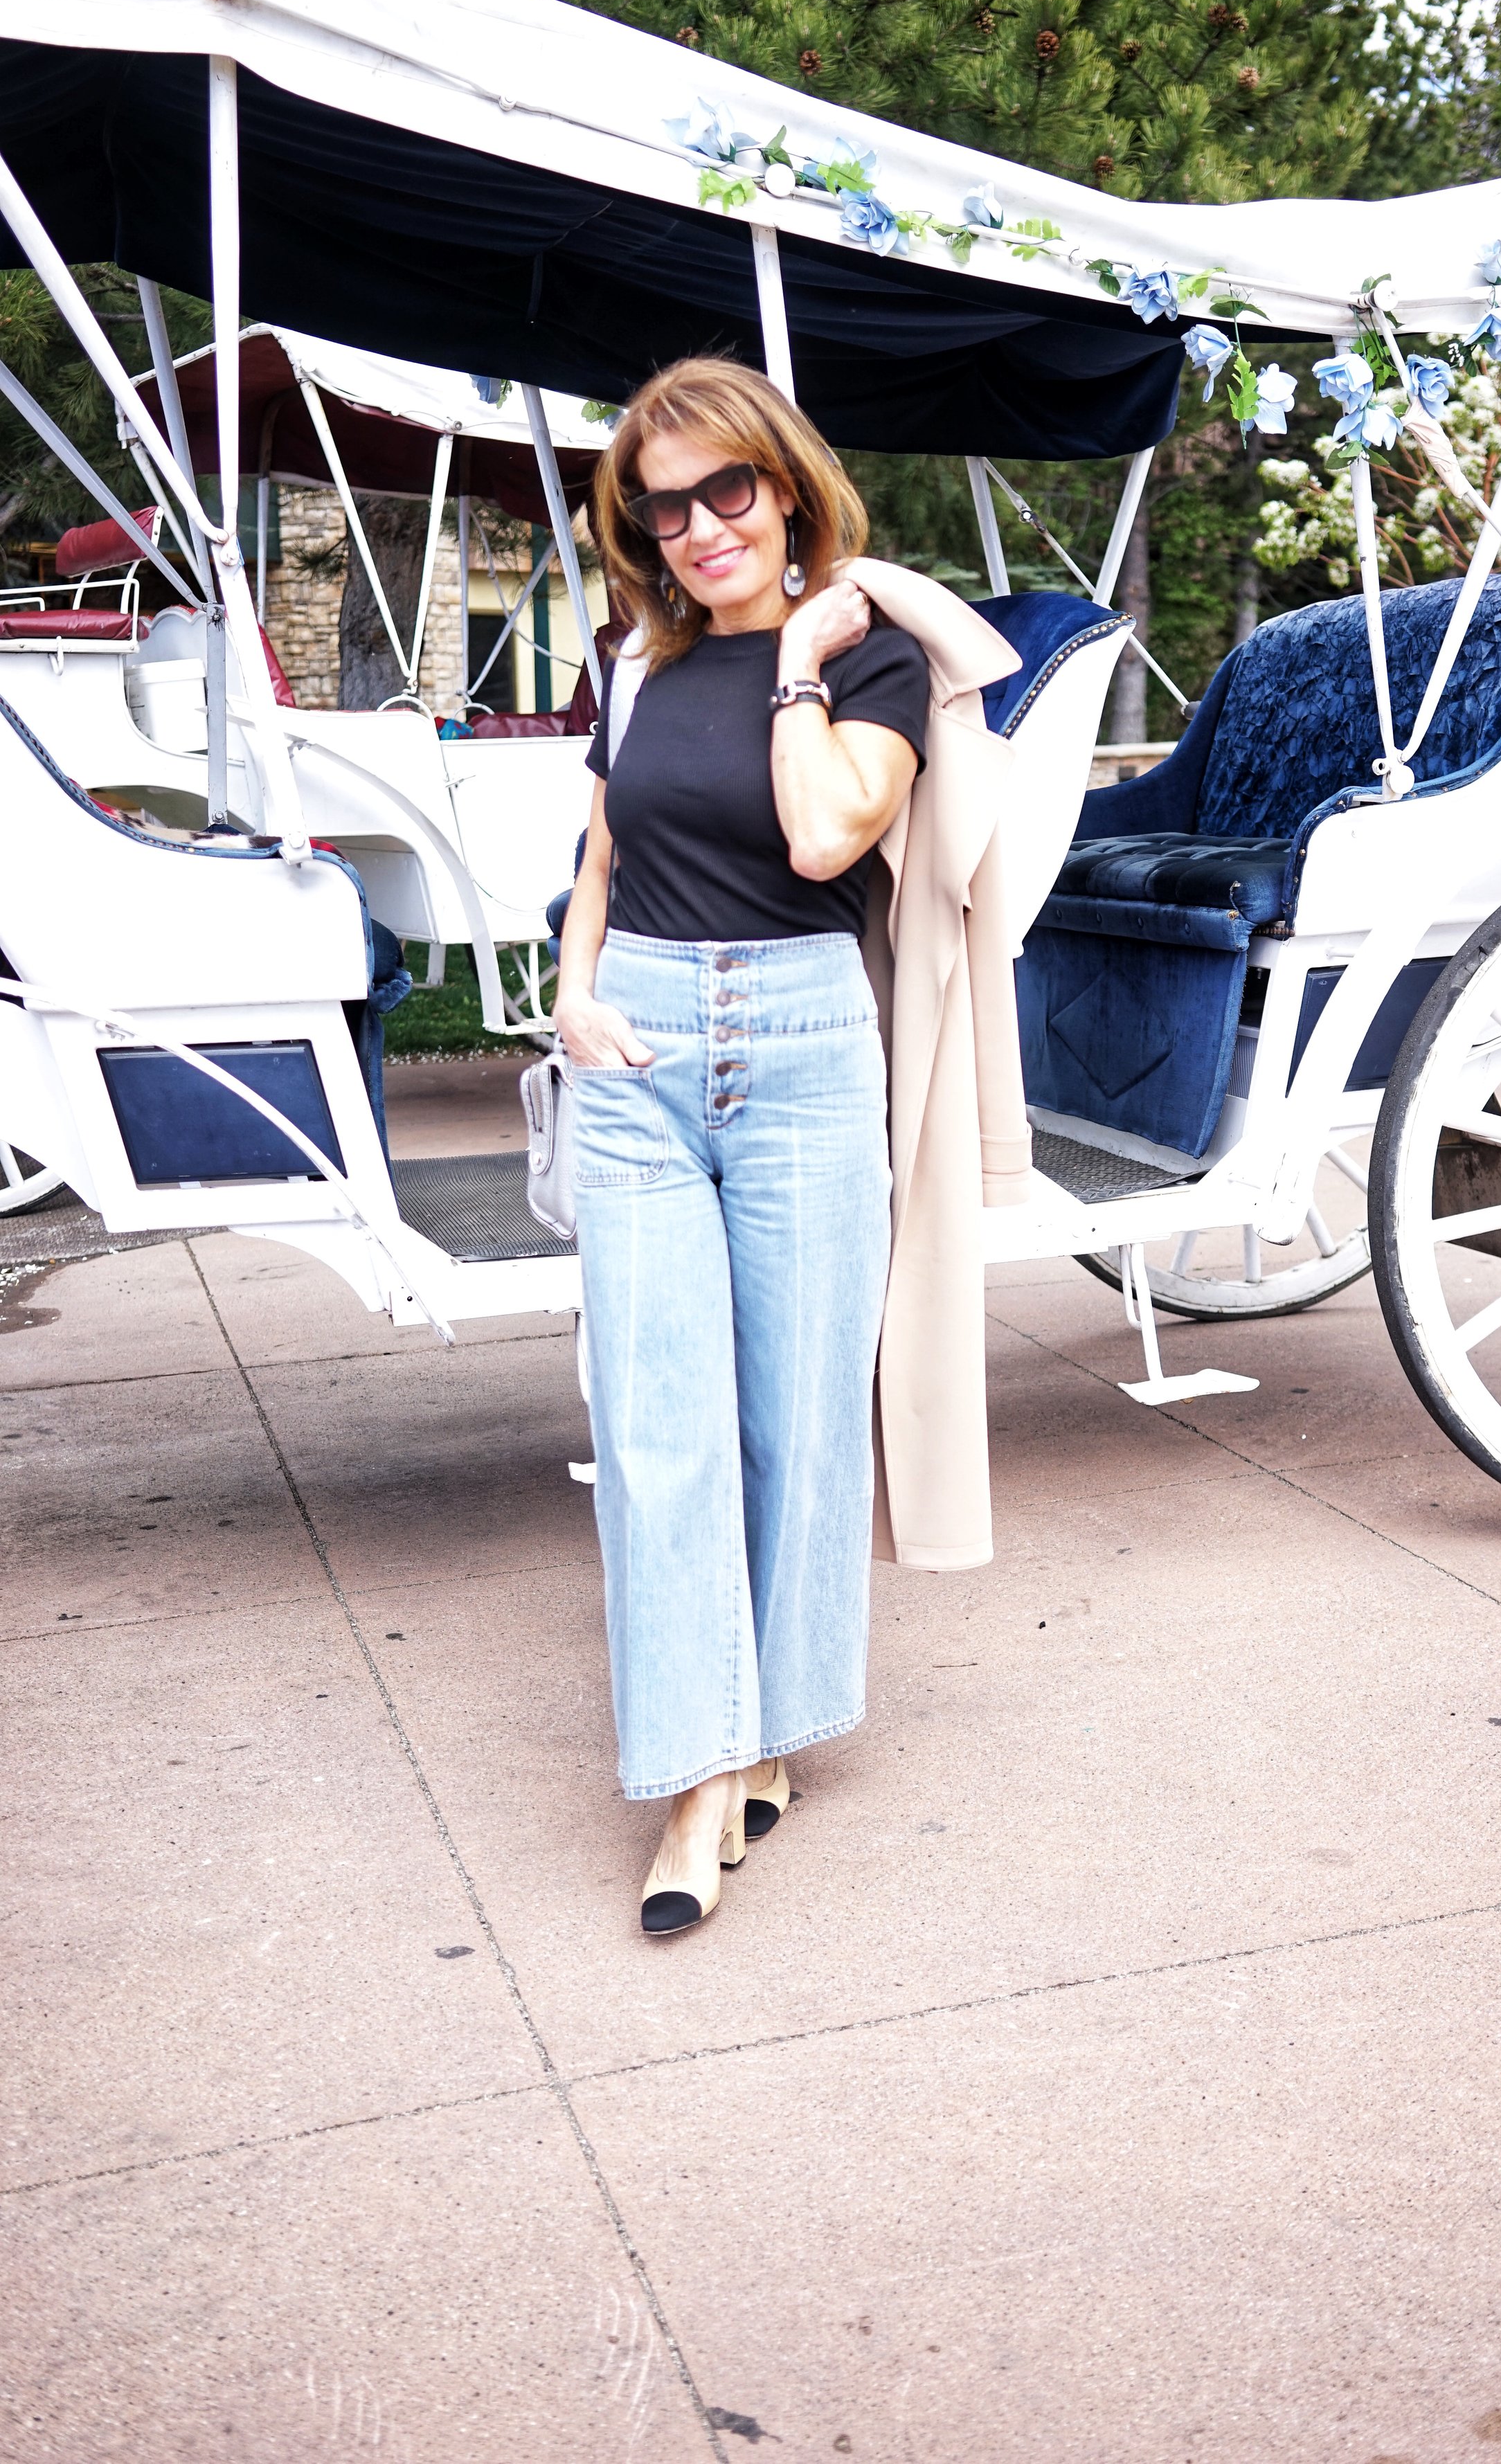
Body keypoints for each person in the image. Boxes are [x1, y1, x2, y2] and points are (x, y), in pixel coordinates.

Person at [552, 357, 931, 1937]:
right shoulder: (628, 668)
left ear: (784, 487)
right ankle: (702, 1780)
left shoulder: (875, 656)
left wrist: (799, 657)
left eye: (729, 489)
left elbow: (825, 837)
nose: (701, 525)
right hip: (635, 1049)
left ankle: (771, 1730)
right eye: (667, 503)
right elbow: (601, 856)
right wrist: (565, 996)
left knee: (795, 1417)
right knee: (655, 1424)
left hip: (800, 1052)